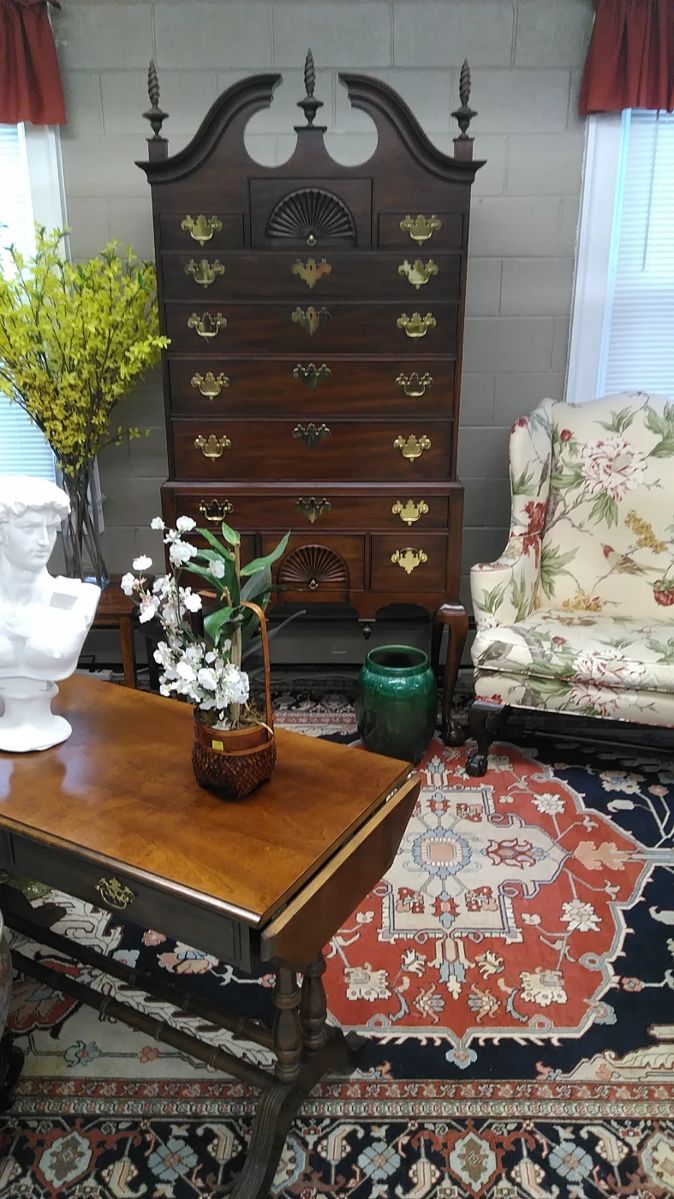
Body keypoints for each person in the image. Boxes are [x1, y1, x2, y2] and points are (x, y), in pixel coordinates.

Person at [0, 475, 100, 751]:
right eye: (30, 529)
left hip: (61, 744)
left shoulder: (79, 598)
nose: (44, 540)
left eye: (50, 528)